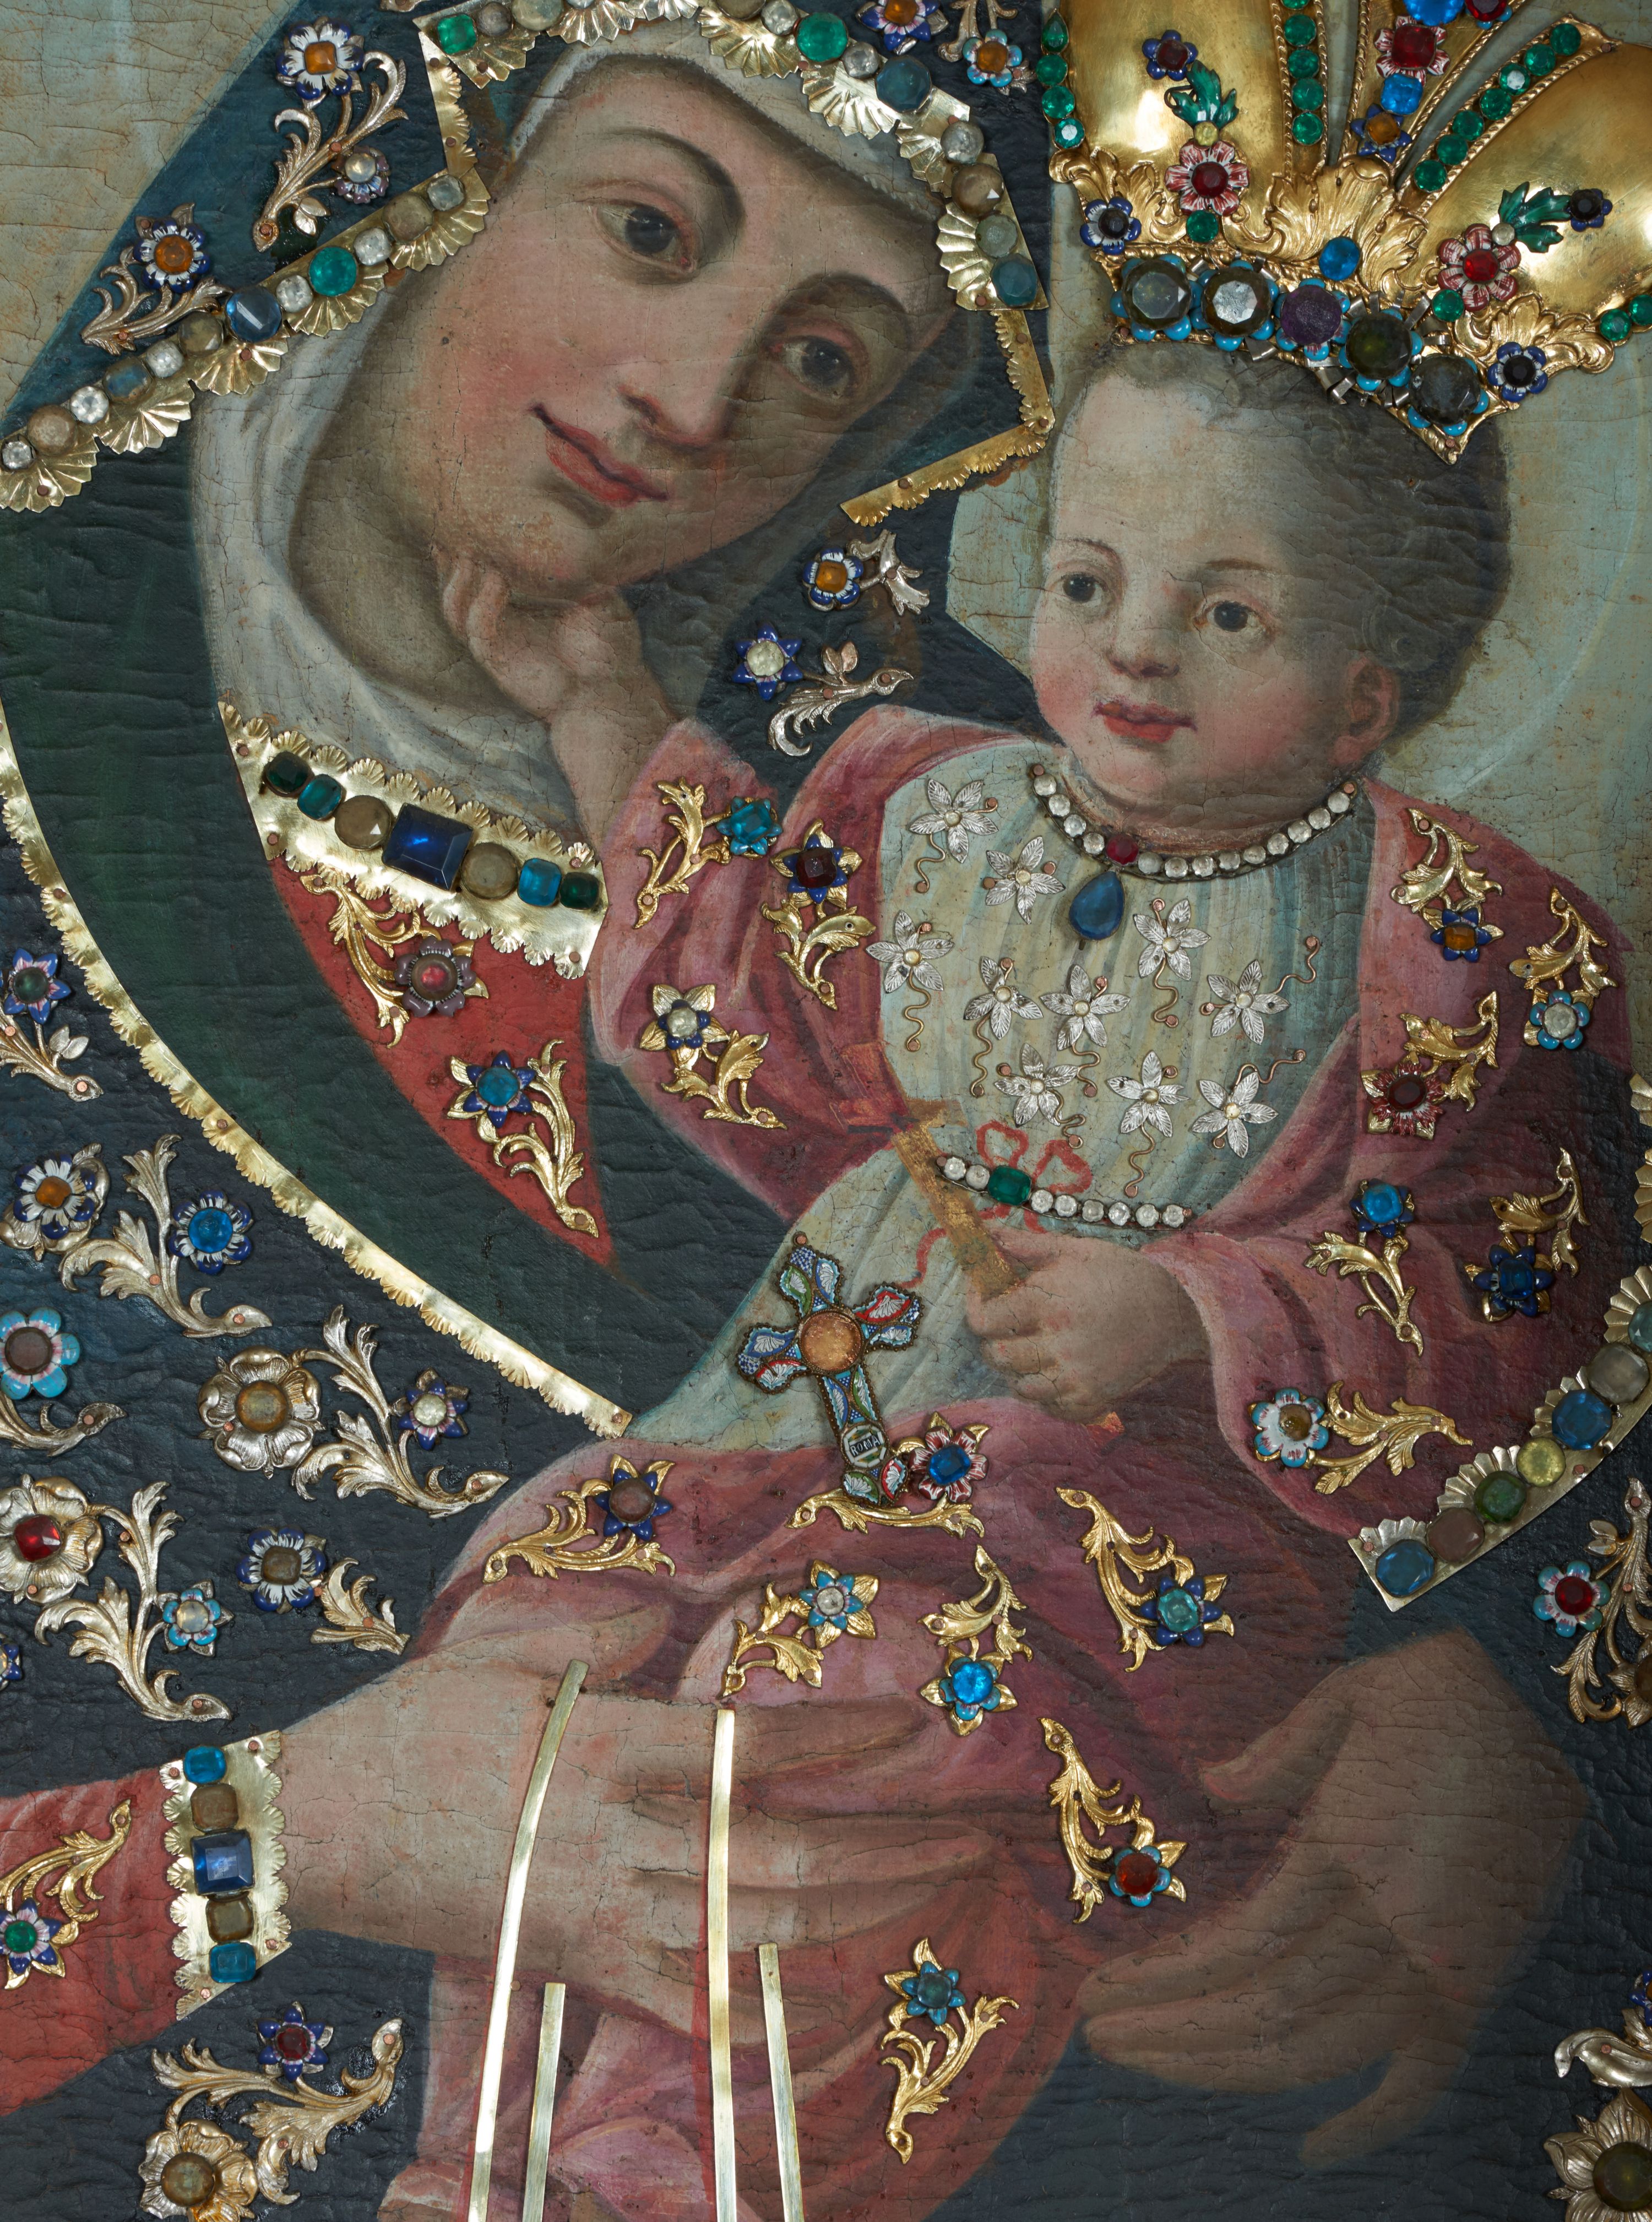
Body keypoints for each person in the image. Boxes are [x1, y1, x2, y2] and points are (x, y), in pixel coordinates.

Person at [4, 335, 1617, 2220]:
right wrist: (600, 704)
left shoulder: (1445, 936)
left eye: (1227, 611)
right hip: (792, 1409)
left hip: (1100, 1516)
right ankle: (487, 2161)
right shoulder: (939, 806)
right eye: (1088, 582)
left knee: (826, 1695)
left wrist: (1192, 1310)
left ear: (1363, 703)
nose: (1136, 650)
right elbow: (739, 993)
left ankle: (674, 2177)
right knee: (549, 1640)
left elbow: (1505, 1276)